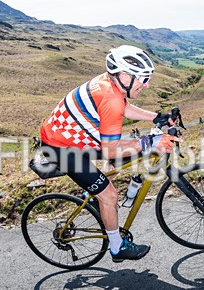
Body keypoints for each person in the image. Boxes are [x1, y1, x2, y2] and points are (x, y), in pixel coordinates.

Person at [38, 45, 179, 262]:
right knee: (110, 194)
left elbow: (123, 107)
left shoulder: (111, 83)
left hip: (71, 136)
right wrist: (151, 141)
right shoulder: (110, 97)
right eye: (143, 78)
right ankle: (117, 246)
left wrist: (156, 117)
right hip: (60, 148)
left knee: (118, 159)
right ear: (124, 76)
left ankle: (93, 195)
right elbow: (110, 147)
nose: (147, 84)